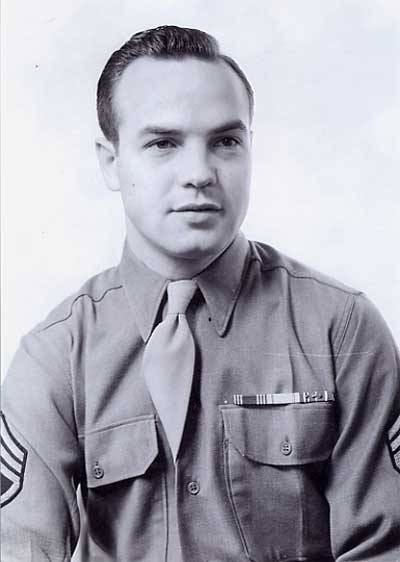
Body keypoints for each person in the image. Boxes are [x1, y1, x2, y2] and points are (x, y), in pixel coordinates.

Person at [1, 24, 399, 562]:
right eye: (163, 144)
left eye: (225, 142)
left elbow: (384, 548)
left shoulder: (342, 329)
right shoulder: (56, 355)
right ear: (111, 161)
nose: (199, 174)